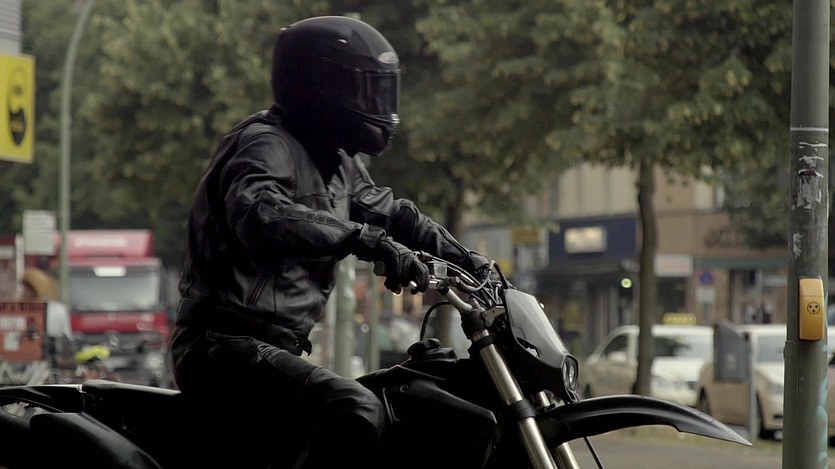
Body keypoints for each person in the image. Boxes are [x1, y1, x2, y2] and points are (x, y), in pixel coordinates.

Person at [171, 15, 492, 468]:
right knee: (355, 408)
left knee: (411, 394)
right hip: (221, 348)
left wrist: (474, 262)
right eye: (366, 91)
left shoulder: (338, 164)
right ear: (320, 87)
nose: (377, 106)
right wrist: (364, 239)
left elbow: (396, 214)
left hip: (272, 350)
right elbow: (261, 212)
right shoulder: (265, 144)